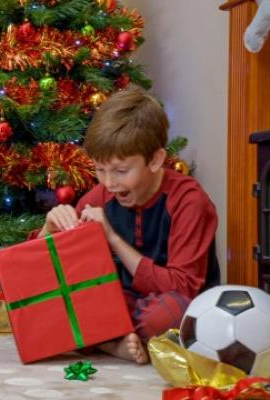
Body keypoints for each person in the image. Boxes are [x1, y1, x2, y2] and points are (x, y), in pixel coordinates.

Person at [38, 87, 219, 364]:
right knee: (62, 307)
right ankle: (114, 344)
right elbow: (44, 277)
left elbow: (182, 287)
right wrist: (48, 230)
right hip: (120, 302)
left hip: (171, 304)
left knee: (168, 314)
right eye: (99, 170)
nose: (109, 183)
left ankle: (105, 338)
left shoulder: (189, 201)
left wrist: (112, 238)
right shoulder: (101, 196)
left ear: (156, 160)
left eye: (121, 171)